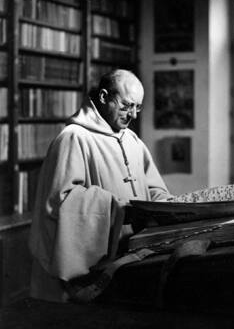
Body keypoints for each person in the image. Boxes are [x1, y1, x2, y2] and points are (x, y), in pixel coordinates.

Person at [29, 69, 171, 302]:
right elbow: (61, 202)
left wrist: (167, 205)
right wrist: (117, 209)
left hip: (132, 257)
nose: (133, 114)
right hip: (95, 265)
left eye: (138, 107)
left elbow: (152, 188)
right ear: (104, 97)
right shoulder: (74, 137)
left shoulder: (132, 140)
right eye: (126, 105)